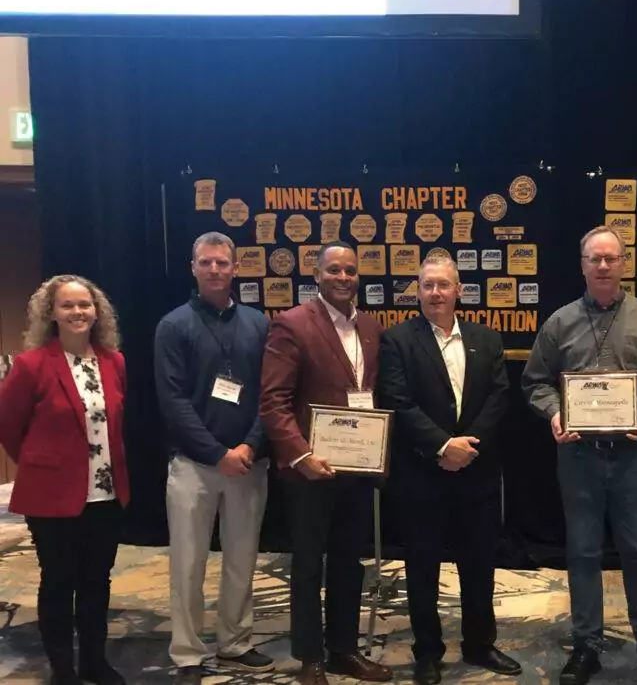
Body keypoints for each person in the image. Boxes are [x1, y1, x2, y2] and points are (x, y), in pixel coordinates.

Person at [522, 225, 637, 685]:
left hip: (632, 456)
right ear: (582, 265)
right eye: (594, 258)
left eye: (611, 258)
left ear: (623, 264)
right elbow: (534, 382)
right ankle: (587, 645)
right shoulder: (559, 322)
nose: (603, 266)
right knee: (582, 552)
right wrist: (555, 413)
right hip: (578, 457)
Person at [378, 256, 522, 685]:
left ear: (459, 290)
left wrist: (467, 447)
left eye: (443, 285)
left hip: (475, 473)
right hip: (422, 473)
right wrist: (442, 445)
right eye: (427, 286)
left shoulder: (486, 338)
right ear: (417, 291)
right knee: (422, 567)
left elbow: (499, 397)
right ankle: (428, 653)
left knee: (479, 564)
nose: (435, 293)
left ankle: (480, 643)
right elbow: (398, 402)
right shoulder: (398, 340)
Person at [260, 242, 392, 685]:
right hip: (309, 469)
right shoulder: (292, 325)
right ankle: (309, 657)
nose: (342, 277)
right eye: (333, 269)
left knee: (348, 563)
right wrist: (300, 455)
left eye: (350, 270)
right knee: (308, 565)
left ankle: (343, 650)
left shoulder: (372, 328)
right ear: (316, 275)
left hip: (354, 468)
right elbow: (274, 402)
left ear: (358, 277)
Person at [154, 232, 275, 684]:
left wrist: (249, 446)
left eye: (222, 263)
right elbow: (173, 401)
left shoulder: (259, 325)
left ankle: (236, 643)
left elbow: (271, 395)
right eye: (206, 262)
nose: (215, 270)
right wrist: (216, 452)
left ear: (236, 267)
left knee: (242, 559)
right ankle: (187, 652)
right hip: (192, 465)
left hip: (248, 463)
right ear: (193, 267)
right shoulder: (173, 325)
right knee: (188, 562)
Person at [0, 275, 129, 685]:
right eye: (67, 305)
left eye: (84, 305)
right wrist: (42, 465)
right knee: (58, 581)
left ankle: (94, 661)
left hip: (105, 492)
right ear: (51, 313)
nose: (77, 312)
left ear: (97, 311)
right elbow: (8, 425)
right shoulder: (32, 364)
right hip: (51, 496)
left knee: (96, 580)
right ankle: (62, 669)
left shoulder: (113, 361)